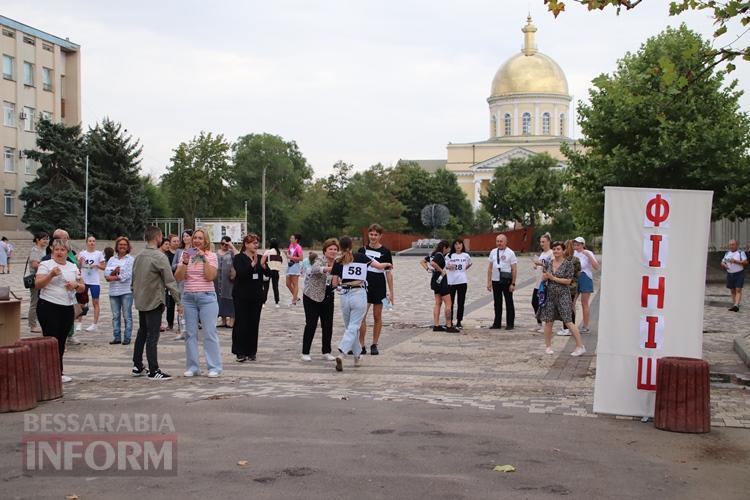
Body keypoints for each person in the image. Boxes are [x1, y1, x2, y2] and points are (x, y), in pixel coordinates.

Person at [332, 236, 392, 371]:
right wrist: (387, 264)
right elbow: (379, 266)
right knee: (354, 327)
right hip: (359, 294)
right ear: (351, 245)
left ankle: (357, 356)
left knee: (350, 327)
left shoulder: (338, 261)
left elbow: (335, 283)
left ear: (340, 247)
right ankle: (342, 352)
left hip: (344, 295)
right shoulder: (361, 257)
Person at [131, 226, 182, 380]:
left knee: (142, 332)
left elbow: (133, 279)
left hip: (141, 299)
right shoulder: (160, 257)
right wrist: (179, 301)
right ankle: (154, 370)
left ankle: (137, 365)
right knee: (152, 335)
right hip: (154, 300)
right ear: (158, 237)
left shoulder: (139, 256)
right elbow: (170, 281)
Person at [34, 238, 85, 383]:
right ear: (52, 250)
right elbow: (37, 284)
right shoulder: (46, 264)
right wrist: (50, 275)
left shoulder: (72, 266)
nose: (59, 252)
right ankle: (47, 373)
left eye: (62, 250)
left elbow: (82, 287)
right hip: (48, 305)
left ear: (67, 252)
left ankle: (59, 372)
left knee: (61, 341)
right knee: (51, 339)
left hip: (67, 306)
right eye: (56, 249)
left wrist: (75, 285)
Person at [175, 228, 221, 377]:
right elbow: (179, 277)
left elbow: (210, 276)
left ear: (205, 241)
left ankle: (214, 367)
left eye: (200, 238)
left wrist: (204, 258)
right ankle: (193, 366)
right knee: (190, 333)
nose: (197, 241)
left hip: (207, 297)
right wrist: (185, 262)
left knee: (209, 332)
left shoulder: (211, 256)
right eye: (195, 238)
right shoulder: (185, 254)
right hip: (189, 297)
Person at [539, 241, 586, 357]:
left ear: (563, 250)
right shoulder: (549, 263)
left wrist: (553, 278)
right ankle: (548, 346)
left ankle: (580, 346)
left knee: (568, 321)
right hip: (550, 295)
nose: (555, 251)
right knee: (548, 321)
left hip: (563, 295)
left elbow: (568, 281)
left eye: (558, 249)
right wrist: (545, 278)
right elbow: (544, 277)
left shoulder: (568, 264)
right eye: (554, 249)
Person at [357, 223, 395, 355]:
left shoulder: (385, 252)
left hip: (379, 284)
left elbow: (388, 273)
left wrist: (391, 292)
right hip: (365, 284)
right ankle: (361, 345)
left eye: (376, 235)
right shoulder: (362, 250)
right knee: (362, 316)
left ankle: (374, 343)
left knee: (377, 315)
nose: (373, 237)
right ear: (368, 235)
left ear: (380, 236)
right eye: (371, 234)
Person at [300, 239, 339, 362]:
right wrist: (327, 269)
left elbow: (338, 280)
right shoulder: (319, 260)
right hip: (312, 296)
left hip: (328, 296)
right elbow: (315, 269)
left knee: (328, 325)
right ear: (325, 250)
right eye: (330, 249)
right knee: (311, 324)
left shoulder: (338, 263)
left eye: (335, 249)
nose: (333, 251)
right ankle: (305, 352)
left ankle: (326, 351)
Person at [231, 233, 267, 362]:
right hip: (241, 295)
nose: (256, 245)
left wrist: (263, 266)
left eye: (257, 243)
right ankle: (239, 351)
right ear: (246, 244)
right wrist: (252, 264)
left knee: (253, 323)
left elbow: (268, 275)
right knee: (241, 323)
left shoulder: (261, 257)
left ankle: (252, 351)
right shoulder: (239, 258)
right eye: (253, 243)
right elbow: (241, 274)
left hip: (256, 295)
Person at [420, 240, 459, 333]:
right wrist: (441, 271)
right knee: (448, 303)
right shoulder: (439, 255)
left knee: (438, 303)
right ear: (444, 247)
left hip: (435, 281)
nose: (449, 250)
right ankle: (449, 325)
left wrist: (428, 269)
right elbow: (433, 263)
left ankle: (436, 325)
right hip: (441, 280)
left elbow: (422, 261)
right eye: (448, 248)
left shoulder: (433, 254)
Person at [105, 236, 134, 345]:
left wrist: (115, 276)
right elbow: (106, 274)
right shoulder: (112, 259)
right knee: (115, 316)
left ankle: (127, 337)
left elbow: (127, 275)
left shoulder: (131, 259)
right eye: (120, 244)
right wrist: (113, 273)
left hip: (126, 291)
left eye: (124, 245)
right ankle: (116, 337)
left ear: (128, 247)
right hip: (113, 292)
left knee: (127, 315)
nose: (122, 246)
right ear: (117, 246)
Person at [486, 234, 518, 330]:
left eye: (501, 241)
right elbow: (490, 267)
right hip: (495, 280)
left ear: (505, 242)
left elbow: (514, 269)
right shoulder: (493, 252)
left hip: (506, 280)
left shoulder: (510, 253)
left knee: (509, 302)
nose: (499, 243)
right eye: (497, 241)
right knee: (497, 302)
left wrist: (513, 283)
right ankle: (497, 323)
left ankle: (510, 323)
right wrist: (489, 281)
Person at [76, 235, 106, 332]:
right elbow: (78, 266)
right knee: (81, 302)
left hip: (94, 281)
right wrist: (79, 262)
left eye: (93, 241)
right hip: (84, 281)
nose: (92, 243)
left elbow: (104, 267)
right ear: (86, 242)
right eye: (90, 241)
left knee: (95, 302)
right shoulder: (82, 253)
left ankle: (94, 324)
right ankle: (79, 323)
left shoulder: (99, 254)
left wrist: (96, 265)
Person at [573, 237, 599, 333]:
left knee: (584, 303)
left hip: (585, 277)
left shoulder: (588, 253)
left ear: (583, 244)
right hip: (575, 278)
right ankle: (572, 325)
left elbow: (596, 267)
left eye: (578, 244)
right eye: (575, 244)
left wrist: (589, 255)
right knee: (572, 302)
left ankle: (585, 326)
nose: (576, 246)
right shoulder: (573, 253)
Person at [171, 230, 193, 340]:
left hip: (190, 281)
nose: (185, 238)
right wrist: (180, 265)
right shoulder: (179, 251)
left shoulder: (194, 250)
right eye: (183, 236)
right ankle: (181, 329)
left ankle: (190, 329)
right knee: (180, 306)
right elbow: (173, 265)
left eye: (187, 236)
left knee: (189, 306)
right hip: (180, 281)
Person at [557, 240, 581, 337]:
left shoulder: (563, 259)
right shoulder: (576, 260)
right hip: (573, 286)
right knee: (570, 307)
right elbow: (579, 273)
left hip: (564, 286)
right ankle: (572, 327)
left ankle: (566, 329)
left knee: (564, 308)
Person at [446, 238, 472, 330]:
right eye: (456, 244)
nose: (458, 246)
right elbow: (446, 266)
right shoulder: (449, 255)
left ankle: (459, 321)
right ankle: (450, 321)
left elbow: (469, 264)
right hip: (451, 282)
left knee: (461, 302)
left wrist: (462, 271)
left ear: (462, 245)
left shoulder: (466, 255)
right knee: (450, 303)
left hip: (462, 282)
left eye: (460, 244)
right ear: (453, 246)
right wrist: (449, 266)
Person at [27, 231, 49, 333]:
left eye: (47, 239)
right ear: (37, 240)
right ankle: (32, 325)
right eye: (44, 239)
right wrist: (46, 264)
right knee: (34, 302)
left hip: (43, 278)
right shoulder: (35, 250)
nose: (46, 241)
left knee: (42, 302)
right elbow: (35, 265)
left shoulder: (44, 250)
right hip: (36, 279)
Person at [531, 233, 553, 333]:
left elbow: (552, 267)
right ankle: (539, 324)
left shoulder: (551, 254)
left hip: (546, 283)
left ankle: (546, 325)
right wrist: (536, 266)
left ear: (548, 242)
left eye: (543, 242)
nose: (541, 244)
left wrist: (541, 264)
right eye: (540, 242)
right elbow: (541, 265)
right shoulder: (542, 254)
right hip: (538, 282)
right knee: (534, 302)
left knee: (544, 303)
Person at [215, 235, 237, 328]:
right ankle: (223, 320)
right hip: (217, 281)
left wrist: (232, 246)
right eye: (222, 243)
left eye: (226, 244)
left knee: (230, 299)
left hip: (229, 281)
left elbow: (239, 256)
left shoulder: (231, 253)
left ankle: (232, 320)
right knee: (219, 299)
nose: (224, 245)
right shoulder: (215, 253)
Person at [722, 239, 748, 312]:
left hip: (739, 273)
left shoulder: (740, 253)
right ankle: (734, 305)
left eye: (733, 244)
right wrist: (724, 265)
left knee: (738, 290)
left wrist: (736, 261)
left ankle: (736, 305)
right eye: (730, 244)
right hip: (730, 274)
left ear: (736, 245)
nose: (731, 246)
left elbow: (745, 262)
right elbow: (722, 262)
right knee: (732, 290)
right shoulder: (727, 253)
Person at [162, 234, 178, 332]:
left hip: (180, 281)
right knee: (170, 304)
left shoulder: (181, 252)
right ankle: (170, 323)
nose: (176, 243)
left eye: (177, 241)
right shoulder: (166, 254)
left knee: (181, 303)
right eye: (174, 241)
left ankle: (182, 324)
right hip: (170, 281)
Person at [262, 238, 283, 307]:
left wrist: (264, 268)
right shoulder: (279, 253)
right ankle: (277, 302)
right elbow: (281, 262)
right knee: (275, 287)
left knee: (266, 287)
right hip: (276, 271)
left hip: (268, 271)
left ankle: (263, 302)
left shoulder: (268, 252)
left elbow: (262, 262)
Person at [285, 234, 304, 305]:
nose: (290, 239)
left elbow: (301, 258)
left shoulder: (298, 247)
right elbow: (289, 254)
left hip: (295, 266)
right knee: (288, 283)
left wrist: (290, 257)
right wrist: (286, 254)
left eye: (292, 238)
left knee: (295, 283)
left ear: (296, 240)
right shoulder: (290, 245)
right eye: (290, 238)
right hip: (290, 265)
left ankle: (294, 300)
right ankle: (296, 297)